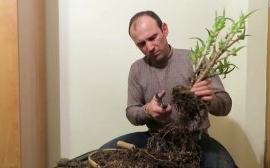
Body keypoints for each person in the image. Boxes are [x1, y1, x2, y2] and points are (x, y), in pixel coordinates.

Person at [100, 10, 237, 168]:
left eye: (152, 38)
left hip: (196, 138)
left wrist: (212, 99)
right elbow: (131, 112)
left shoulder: (195, 59)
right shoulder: (137, 69)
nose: (149, 47)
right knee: (104, 152)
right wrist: (147, 111)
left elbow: (226, 105)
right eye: (141, 44)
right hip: (156, 137)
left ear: (164, 29)